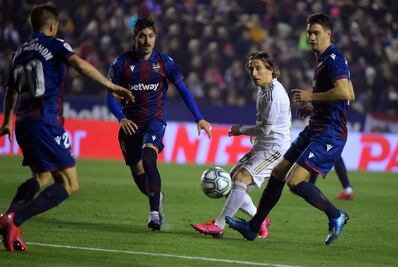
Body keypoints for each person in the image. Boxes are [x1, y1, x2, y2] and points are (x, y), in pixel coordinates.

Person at [0, 4, 134, 252]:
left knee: (41, 177)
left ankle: (8, 217)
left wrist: (7, 120)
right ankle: (14, 220)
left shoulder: (19, 52)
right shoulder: (55, 44)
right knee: (70, 185)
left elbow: (10, 90)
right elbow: (80, 65)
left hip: (23, 123)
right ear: (52, 26)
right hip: (46, 122)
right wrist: (110, 86)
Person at [226, 12, 355, 245]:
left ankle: (336, 215)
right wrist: (313, 105)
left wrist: (311, 96)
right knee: (278, 172)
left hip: (330, 132)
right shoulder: (325, 60)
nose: (311, 38)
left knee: (295, 181)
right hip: (315, 127)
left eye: (316, 33)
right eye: (309, 34)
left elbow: (346, 93)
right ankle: (253, 227)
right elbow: (348, 94)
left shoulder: (334, 58)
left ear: (328, 33)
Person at [106, 17, 212, 231]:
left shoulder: (164, 62)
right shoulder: (121, 63)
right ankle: (157, 196)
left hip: (155, 121)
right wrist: (122, 118)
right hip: (130, 125)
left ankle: (154, 214)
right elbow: (110, 97)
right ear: (134, 38)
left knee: (148, 159)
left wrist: (198, 117)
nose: (147, 40)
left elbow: (183, 90)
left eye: (151, 36)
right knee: (137, 173)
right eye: (142, 36)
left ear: (156, 38)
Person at [192, 51, 291, 239]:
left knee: (241, 179)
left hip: (275, 149)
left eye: (259, 68)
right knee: (230, 182)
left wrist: (241, 131)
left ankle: (218, 225)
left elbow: (266, 129)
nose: (254, 73)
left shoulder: (272, 94)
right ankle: (259, 219)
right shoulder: (263, 89)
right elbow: (264, 123)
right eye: (251, 69)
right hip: (263, 145)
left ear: (270, 70)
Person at [297, 105, 354, 200]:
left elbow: (329, 108)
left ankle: (310, 186)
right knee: (332, 155)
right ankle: (347, 189)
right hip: (334, 128)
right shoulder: (341, 95)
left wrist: (314, 109)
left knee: (320, 151)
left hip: (331, 129)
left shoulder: (336, 95)